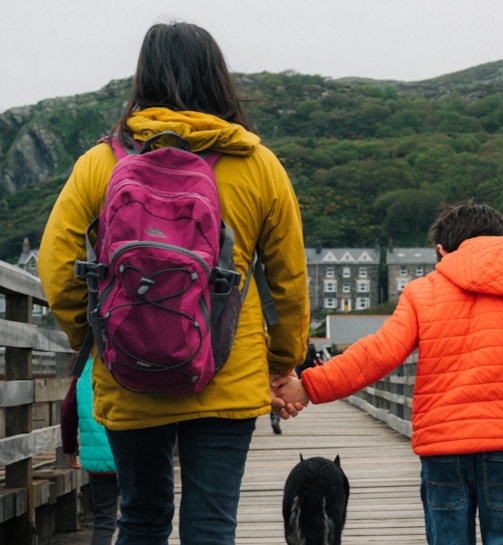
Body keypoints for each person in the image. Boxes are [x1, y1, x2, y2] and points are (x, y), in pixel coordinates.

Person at [37, 21, 310, 545]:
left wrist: (97, 337)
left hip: (128, 369)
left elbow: (55, 264)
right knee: (212, 522)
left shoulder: (101, 163)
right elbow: (289, 281)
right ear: (218, 77)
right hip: (228, 372)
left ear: (144, 77)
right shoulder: (258, 165)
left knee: (141, 517)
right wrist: (282, 362)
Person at [272, 201, 503, 545]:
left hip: (443, 445)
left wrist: (308, 387)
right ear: (502, 241)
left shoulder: (422, 292)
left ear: (442, 251)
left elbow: (378, 352)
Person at [61, 356, 119, 545]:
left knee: (104, 520)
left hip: (97, 458)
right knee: (138, 516)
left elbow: (67, 411)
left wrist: (71, 448)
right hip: (133, 455)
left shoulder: (83, 370)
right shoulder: (130, 359)